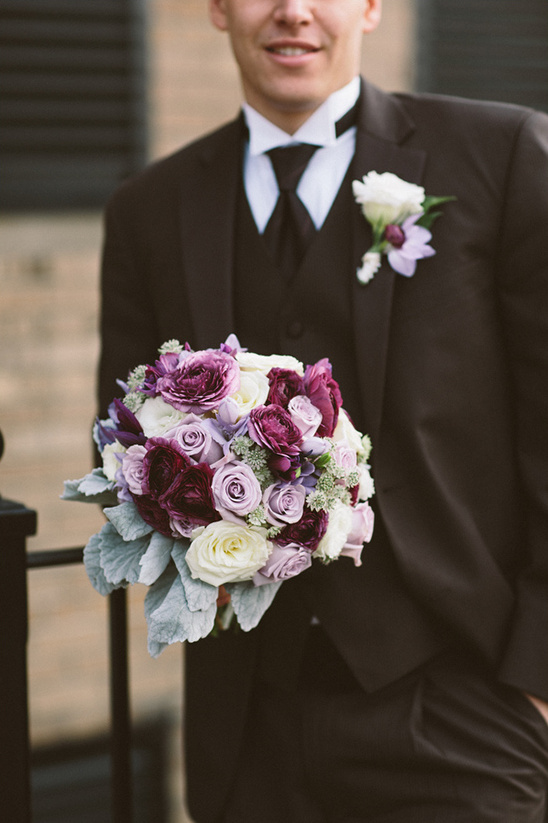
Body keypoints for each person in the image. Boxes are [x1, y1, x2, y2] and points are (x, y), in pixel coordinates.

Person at [98, 1, 548, 820]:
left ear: (372, 6)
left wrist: (536, 684)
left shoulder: (502, 154)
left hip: (462, 708)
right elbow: (123, 452)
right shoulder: (147, 210)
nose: (292, 12)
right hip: (247, 727)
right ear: (220, 9)